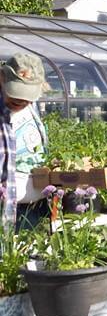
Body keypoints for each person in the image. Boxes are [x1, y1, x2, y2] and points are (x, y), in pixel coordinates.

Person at [0, 53, 49, 230]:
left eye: (27, 95)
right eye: (16, 93)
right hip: (5, 214)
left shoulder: (32, 106)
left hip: (35, 210)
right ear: (2, 79)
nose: (21, 100)